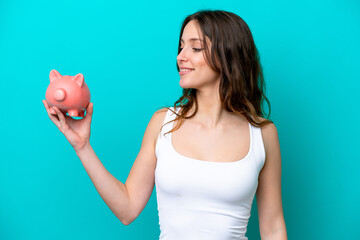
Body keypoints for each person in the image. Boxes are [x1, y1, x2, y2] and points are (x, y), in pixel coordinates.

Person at [43, 9, 287, 240]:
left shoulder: (263, 134)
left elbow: (273, 228)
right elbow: (127, 209)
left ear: (228, 55)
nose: (181, 56)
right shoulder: (164, 123)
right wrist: (83, 146)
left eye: (196, 48)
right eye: (181, 47)